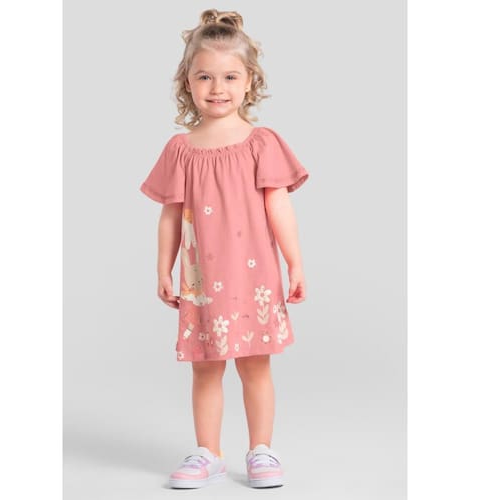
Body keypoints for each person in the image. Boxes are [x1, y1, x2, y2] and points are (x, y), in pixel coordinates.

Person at [139, 8, 309, 489]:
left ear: (249, 81)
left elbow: (279, 206)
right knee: (205, 368)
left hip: (254, 278)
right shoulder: (180, 149)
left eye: (230, 76)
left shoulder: (262, 143)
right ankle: (208, 452)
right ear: (187, 82)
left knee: (255, 366)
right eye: (205, 76)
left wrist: (295, 263)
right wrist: (163, 269)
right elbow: (170, 214)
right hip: (202, 280)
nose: (218, 88)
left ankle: (261, 450)